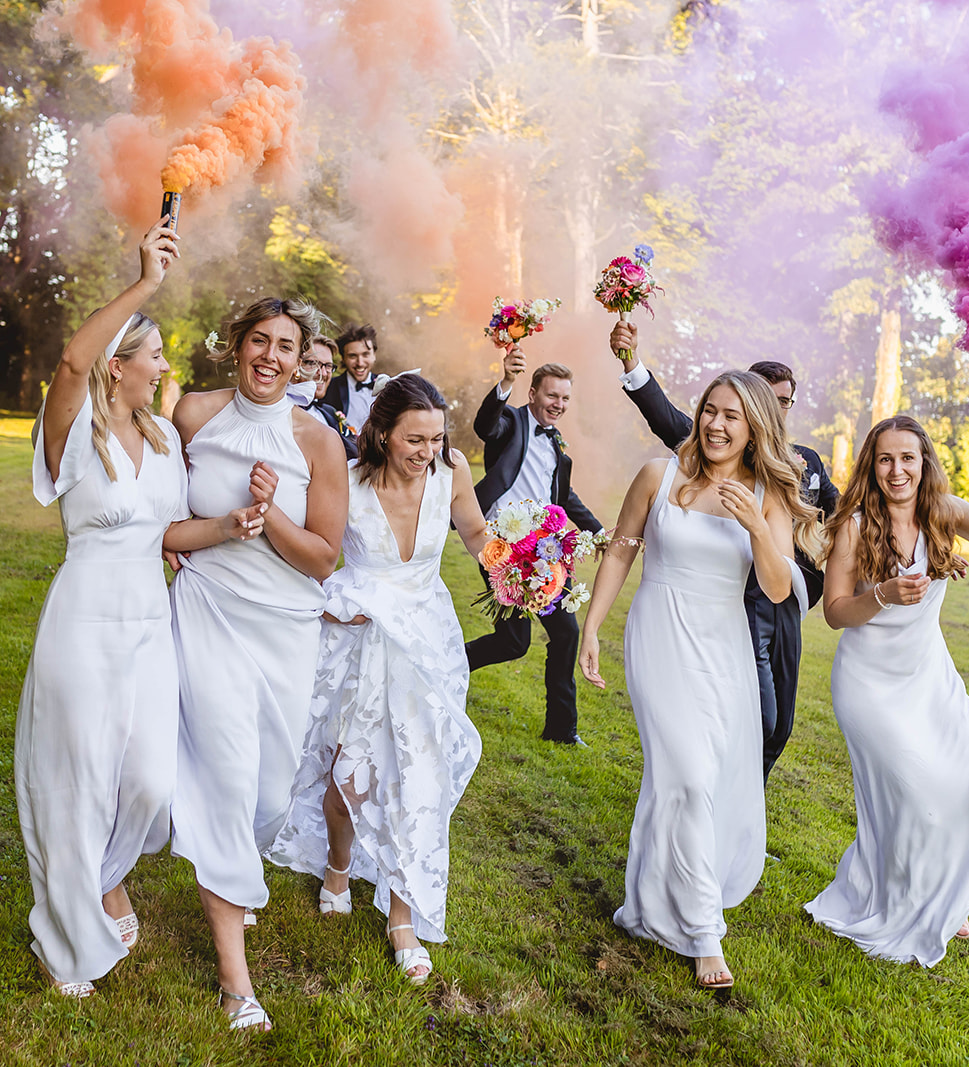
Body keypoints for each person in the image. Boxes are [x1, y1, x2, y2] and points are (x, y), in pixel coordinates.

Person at [578, 370, 819, 989]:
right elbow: (622, 550)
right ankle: (704, 931)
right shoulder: (657, 476)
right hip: (659, 635)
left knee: (695, 780)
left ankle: (648, 904)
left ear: (754, 428)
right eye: (710, 410)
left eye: (731, 416)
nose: (715, 424)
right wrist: (592, 627)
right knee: (685, 773)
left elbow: (778, 588)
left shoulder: (766, 493)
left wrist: (759, 527)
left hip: (724, 648)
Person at [163, 297, 350, 1032]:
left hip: (286, 632)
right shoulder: (193, 415)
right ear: (236, 345)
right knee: (228, 778)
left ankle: (236, 871)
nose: (271, 357)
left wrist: (269, 515)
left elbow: (324, 560)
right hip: (208, 614)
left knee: (270, 793)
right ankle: (236, 983)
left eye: (287, 346)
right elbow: (163, 515)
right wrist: (181, 539)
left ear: (302, 360)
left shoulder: (318, 441)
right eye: (259, 341)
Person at [269, 372, 492, 986]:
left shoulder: (452, 473)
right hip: (360, 638)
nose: (427, 451)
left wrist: (518, 568)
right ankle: (338, 865)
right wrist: (333, 606)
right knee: (348, 776)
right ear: (382, 433)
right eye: (414, 439)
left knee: (416, 773)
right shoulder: (346, 478)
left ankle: (403, 918)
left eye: (436, 438)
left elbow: (475, 534)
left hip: (425, 640)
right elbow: (315, 553)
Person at [15, 219, 189, 998]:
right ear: (118, 366)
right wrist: (146, 282)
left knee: (149, 779)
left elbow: (170, 532)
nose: (164, 366)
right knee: (78, 779)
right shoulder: (74, 437)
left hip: (149, 624)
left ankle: (106, 876)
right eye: (154, 354)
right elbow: (69, 361)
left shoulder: (165, 441)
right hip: (84, 621)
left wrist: (234, 525)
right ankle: (65, 935)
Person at [803, 416, 969, 967]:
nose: (897, 470)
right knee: (915, 801)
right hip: (869, 686)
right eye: (885, 459)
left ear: (924, 461)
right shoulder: (855, 526)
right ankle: (910, 900)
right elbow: (835, 613)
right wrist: (882, 594)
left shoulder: (943, 512)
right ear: (872, 465)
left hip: (930, 679)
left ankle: (943, 895)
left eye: (907, 458)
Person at [608, 322, 838, 781]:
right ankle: (714, 785)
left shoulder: (806, 460)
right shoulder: (716, 441)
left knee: (778, 724)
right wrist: (632, 363)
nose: (777, 407)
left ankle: (742, 796)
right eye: (767, 397)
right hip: (732, 604)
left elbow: (842, 509)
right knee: (753, 717)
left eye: (785, 401)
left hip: (785, 601)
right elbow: (666, 417)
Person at [465, 349, 605, 746]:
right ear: (533, 394)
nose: (558, 404)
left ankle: (562, 730)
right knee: (513, 642)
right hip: (503, 549)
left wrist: (598, 533)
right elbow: (485, 425)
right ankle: (447, 666)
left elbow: (564, 496)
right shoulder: (511, 422)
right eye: (552, 395)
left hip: (545, 553)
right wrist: (505, 382)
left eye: (565, 398)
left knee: (566, 633)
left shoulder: (556, 442)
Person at [295, 334, 358, 459]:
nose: (323, 373)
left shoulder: (329, 413)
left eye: (328, 366)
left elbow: (356, 451)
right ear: (297, 365)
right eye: (313, 363)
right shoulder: (280, 410)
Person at [324, 322, 379, 432]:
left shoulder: (388, 386)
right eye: (352, 356)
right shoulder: (329, 388)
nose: (360, 363)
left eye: (365, 354)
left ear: (374, 355)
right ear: (343, 358)